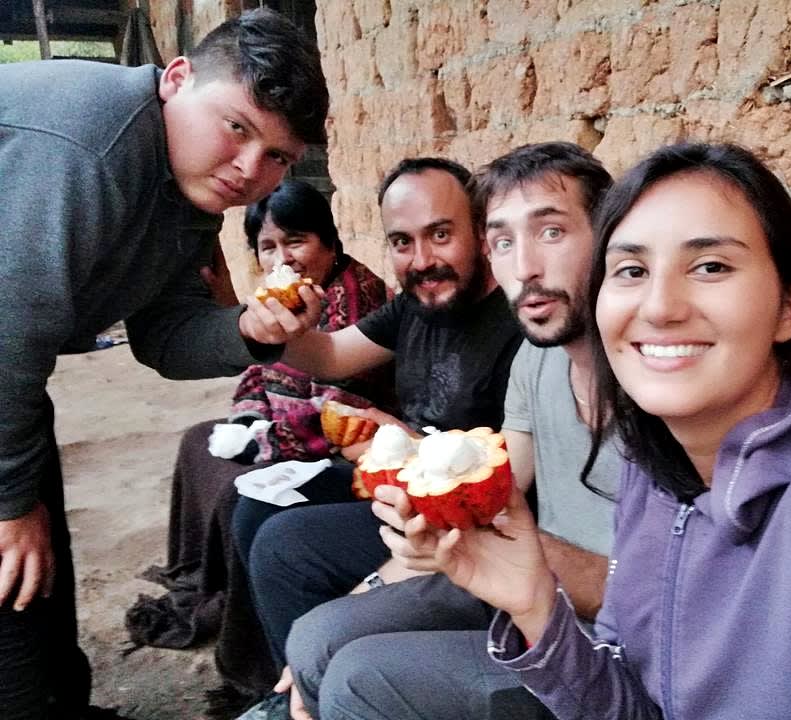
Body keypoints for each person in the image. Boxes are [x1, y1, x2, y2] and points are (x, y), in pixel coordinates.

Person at [376, 142, 791, 719]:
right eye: (630, 271)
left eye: (711, 266)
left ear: (790, 307)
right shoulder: (655, 474)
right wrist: (535, 605)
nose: (660, 307)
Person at [0, 9, 329, 719]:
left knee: (42, 564)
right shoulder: (93, 147)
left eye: (278, 156)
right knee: (11, 599)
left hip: (9, 379)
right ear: (176, 78)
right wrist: (7, 503)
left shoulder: (186, 190)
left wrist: (249, 327)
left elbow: (163, 337)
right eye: (236, 126)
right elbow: (5, 337)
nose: (250, 170)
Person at [281, 142, 620, 720]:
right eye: (505, 240)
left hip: (603, 634)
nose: (525, 267)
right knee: (313, 640)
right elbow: (490, 493)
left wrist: (486, 539)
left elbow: (664, 595)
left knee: (357, 682)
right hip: (528, 586)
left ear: (612, 236)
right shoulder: (538, 358)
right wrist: (381, 575)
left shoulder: (659, 379)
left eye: (552, 232)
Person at [231, 157, 524, 717]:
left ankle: (312, 689)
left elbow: (514, 470)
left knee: (285, 548)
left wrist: (407, 444)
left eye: (440, 234)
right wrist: (284, 328)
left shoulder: (516, 324)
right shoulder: (417, 303)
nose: (423, 260)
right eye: (402, 242)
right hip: (397, 485)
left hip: (462, 521)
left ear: (480, 232)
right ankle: (287, 690)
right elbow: (333, 355)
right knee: (252, 510)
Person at [123, 179, 391, 702]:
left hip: (340, 442)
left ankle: (257, 660)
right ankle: (207, 581)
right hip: (288, 432)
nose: (282, 257)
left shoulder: (358, 293)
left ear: (329, 243)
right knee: (199, 442)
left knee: (244, 494)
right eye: (268, 246)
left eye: (296, 241)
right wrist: (248, 420)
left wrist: (263, 442)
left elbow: (340, 403)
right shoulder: (281, 298)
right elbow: (256, 371)